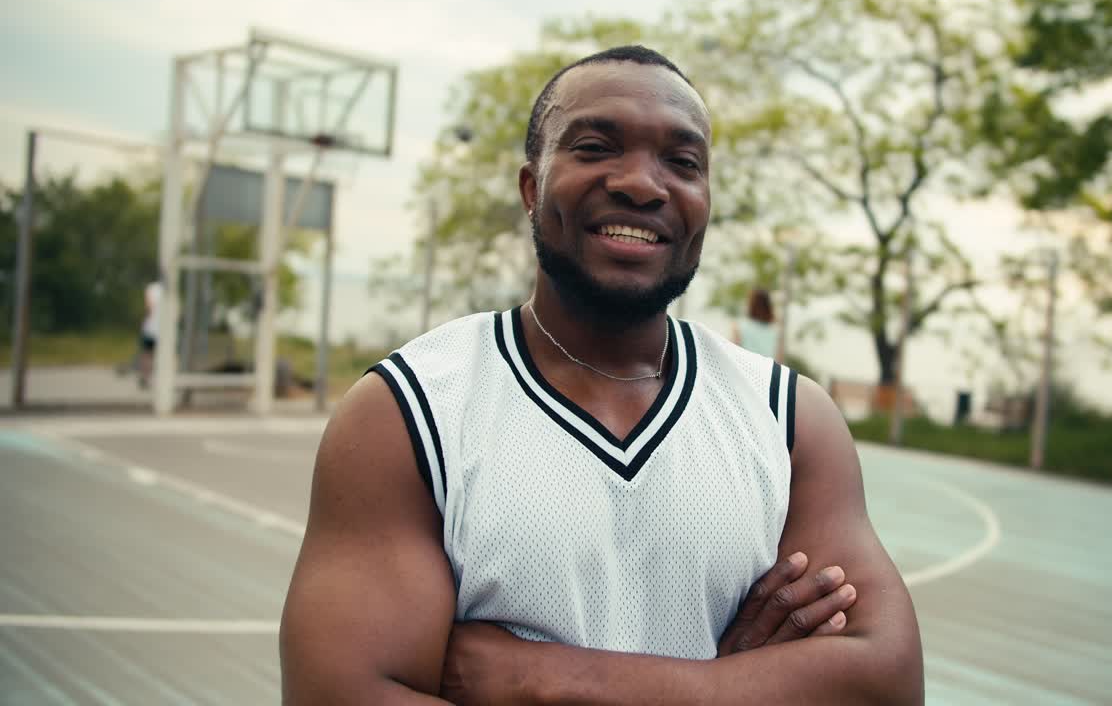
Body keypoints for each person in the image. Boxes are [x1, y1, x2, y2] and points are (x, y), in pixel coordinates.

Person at [280, 45, 922, 705]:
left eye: (683, 162)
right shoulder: (408, 412)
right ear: (532, 187)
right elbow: (338, 693)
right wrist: (739, 687)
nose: (642, 184)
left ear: (704, 201)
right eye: (594, 147)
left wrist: (539, 680)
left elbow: (886, 684)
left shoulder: (791, 420)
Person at [731, 287, 781, 360]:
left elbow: (734, 354)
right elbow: (779, 360)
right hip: (767, 370)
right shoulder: (776, 330)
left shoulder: (739, 326)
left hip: (745, 369)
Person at [138, 277, 162, 388]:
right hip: (163, 329)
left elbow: (148, 307)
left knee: (147, 354)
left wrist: (143, 320)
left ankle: (145, 378)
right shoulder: (167, 289)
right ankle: (159, 378)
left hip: (150, 328)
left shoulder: (151, 289)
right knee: (160, 355)